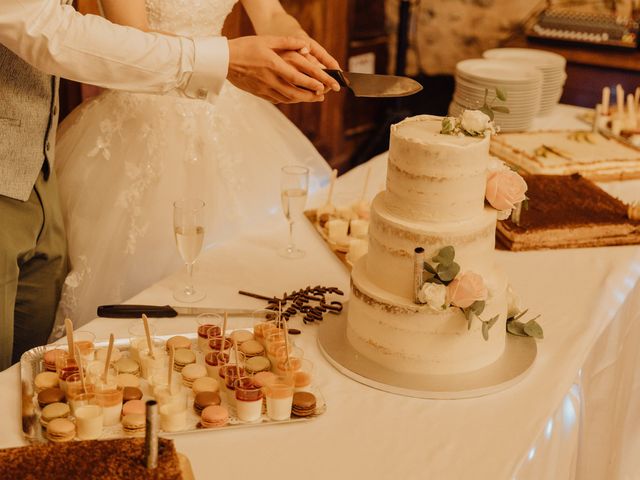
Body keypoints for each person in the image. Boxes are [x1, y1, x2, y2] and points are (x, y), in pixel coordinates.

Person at [0, 0, 339, 370]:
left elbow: (271, 14)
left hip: (223, 101)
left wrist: (298, 46)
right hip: (151, 111)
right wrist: (222, 61)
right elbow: (106, 35)